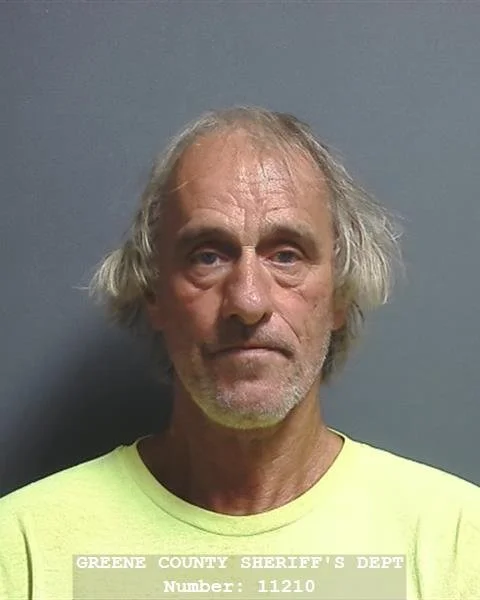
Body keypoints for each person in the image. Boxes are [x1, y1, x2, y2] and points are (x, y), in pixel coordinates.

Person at [0, 107, 479, 600]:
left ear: (340, 293)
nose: (247, 302)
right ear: (153, 293)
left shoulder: (460, 544)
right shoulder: (22, 546)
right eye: (208, 256)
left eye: (286, 255)